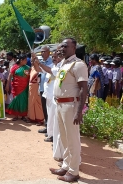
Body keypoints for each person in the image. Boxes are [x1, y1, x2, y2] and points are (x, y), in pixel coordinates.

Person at [48, 38, 88, 182]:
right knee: (64, 139)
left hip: (71, 106)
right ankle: (66, 165)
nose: (62, 48)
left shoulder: (78, 65)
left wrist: (78, 111)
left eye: (65, 46)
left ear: (74, 47)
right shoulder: (64, 63)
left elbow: (84, 89)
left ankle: (74, 171)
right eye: (61, 46)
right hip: (60, 105)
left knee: (72, 140)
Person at [5, 54, 30, 121]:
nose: (26, 61)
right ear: (21, 60)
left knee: (24, 101)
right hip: (16, 87)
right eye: (25, 60)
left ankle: (23, 116)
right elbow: (10, 76)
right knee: (16, 100)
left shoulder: (27, 67)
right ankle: (15, 115)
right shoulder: (14, 67)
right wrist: (7, 85)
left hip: (25, 87)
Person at [38, 46, 53, 133]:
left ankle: (50, 129)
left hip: (50, 90)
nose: (42, 53)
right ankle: (47, 126)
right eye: (41, 52)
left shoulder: (52, 62)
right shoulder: (42, 62)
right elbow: (39, 72)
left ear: (49, 52)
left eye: (44, 51)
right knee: (44, 108)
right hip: (42, 89)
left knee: (50, 109)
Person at [26, 55, 44, 125]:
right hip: (31, 87)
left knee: (37, 103)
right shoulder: (32, 68)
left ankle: (40, 119)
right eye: (31, 61)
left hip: (37, 87)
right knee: (31, 102)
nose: (32, 62)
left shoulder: (39, 69)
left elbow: (39, 79)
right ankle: (32, 118)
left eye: (33, 60)